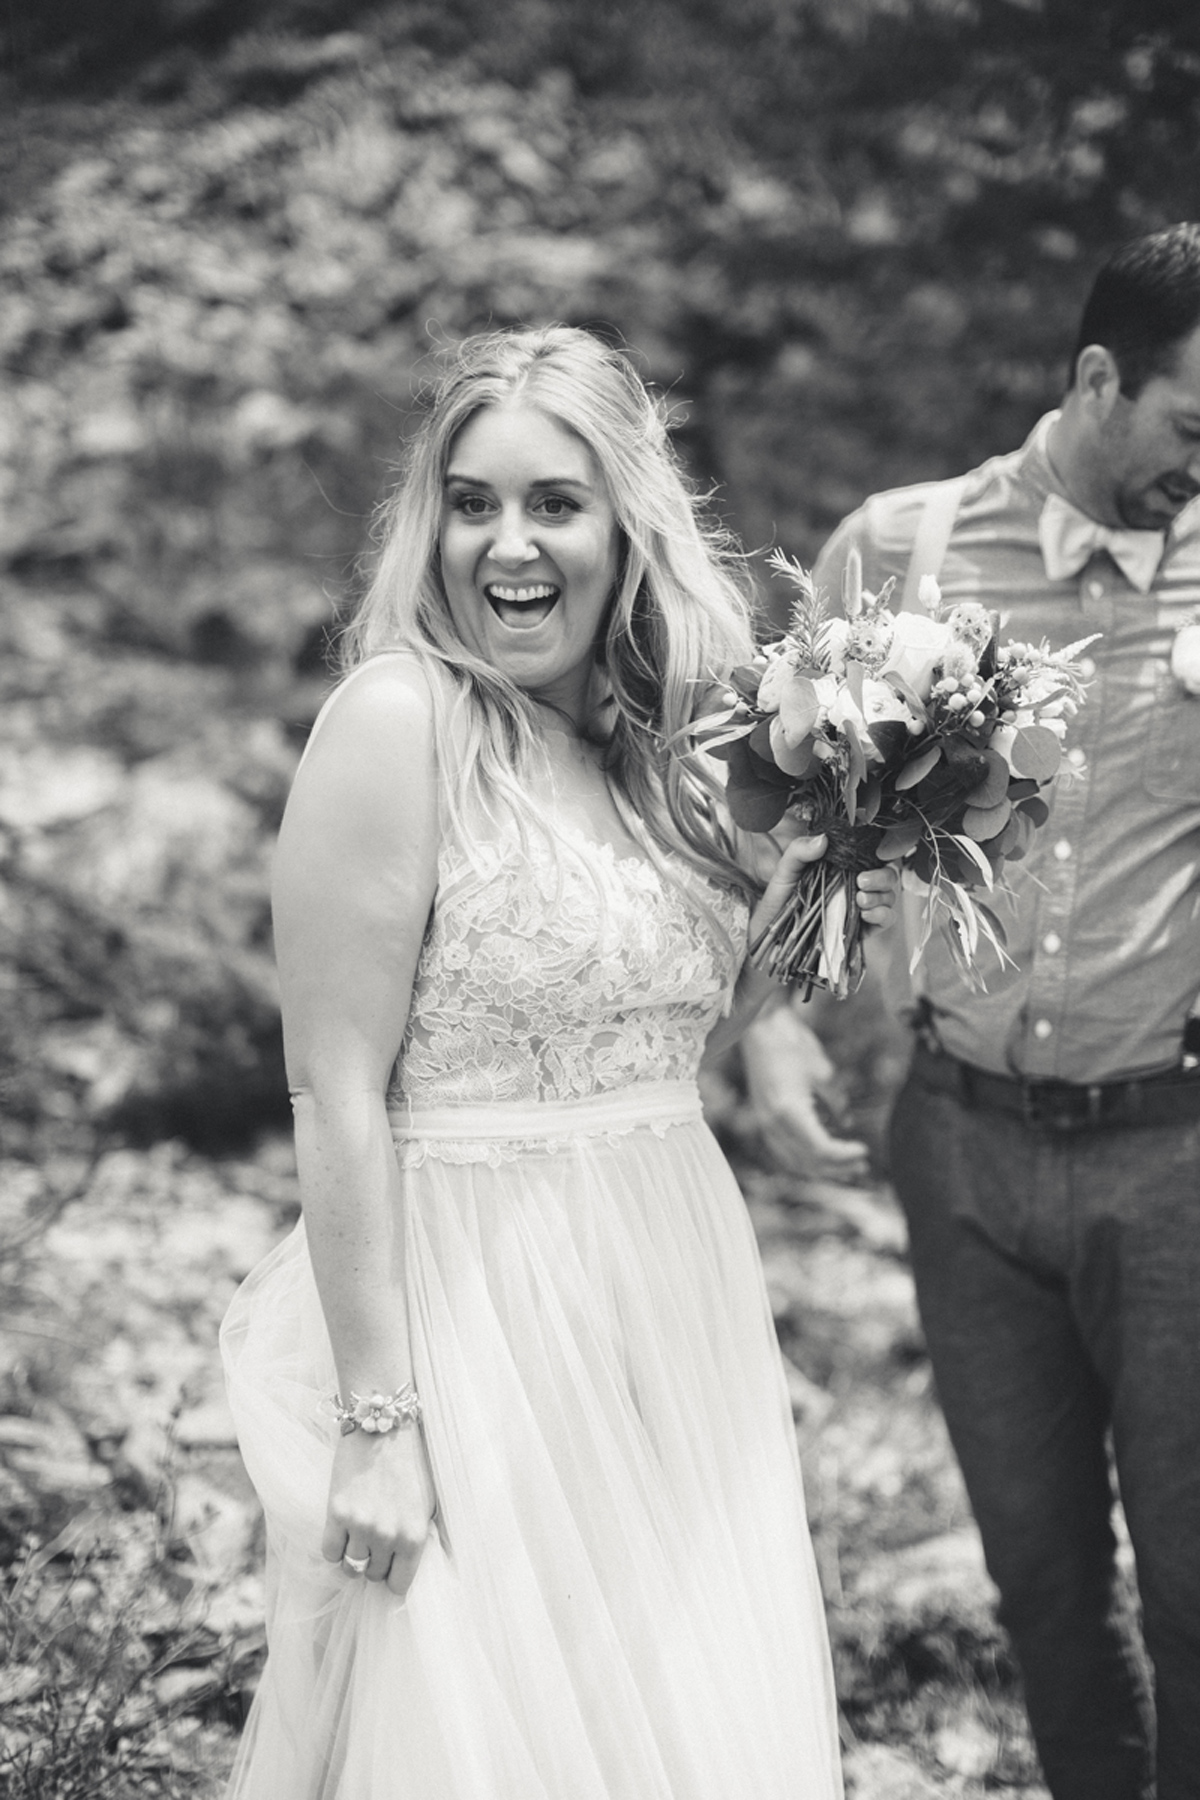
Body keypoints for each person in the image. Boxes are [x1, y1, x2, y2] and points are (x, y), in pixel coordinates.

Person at [219, 324, 898, 1799]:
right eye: (473, 503)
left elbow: (636, 1036)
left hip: (668, 1294)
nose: (506, 545)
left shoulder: (660, 756)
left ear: (624, 528)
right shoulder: (396, 724)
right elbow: (334, 1090)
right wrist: (379, 1426)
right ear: (431, 526)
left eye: (552, 504)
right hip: (478, 1313)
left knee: (657, 1728)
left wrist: (819, 897)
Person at [745, 224, 1200, 1800]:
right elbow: (784, 817)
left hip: (1180, 1156)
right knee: (1046, 1589)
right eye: (1189, 430)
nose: (1198, 476)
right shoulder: (900, 552)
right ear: (1098, 377)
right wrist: (772, 1020)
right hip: (961, 1152)